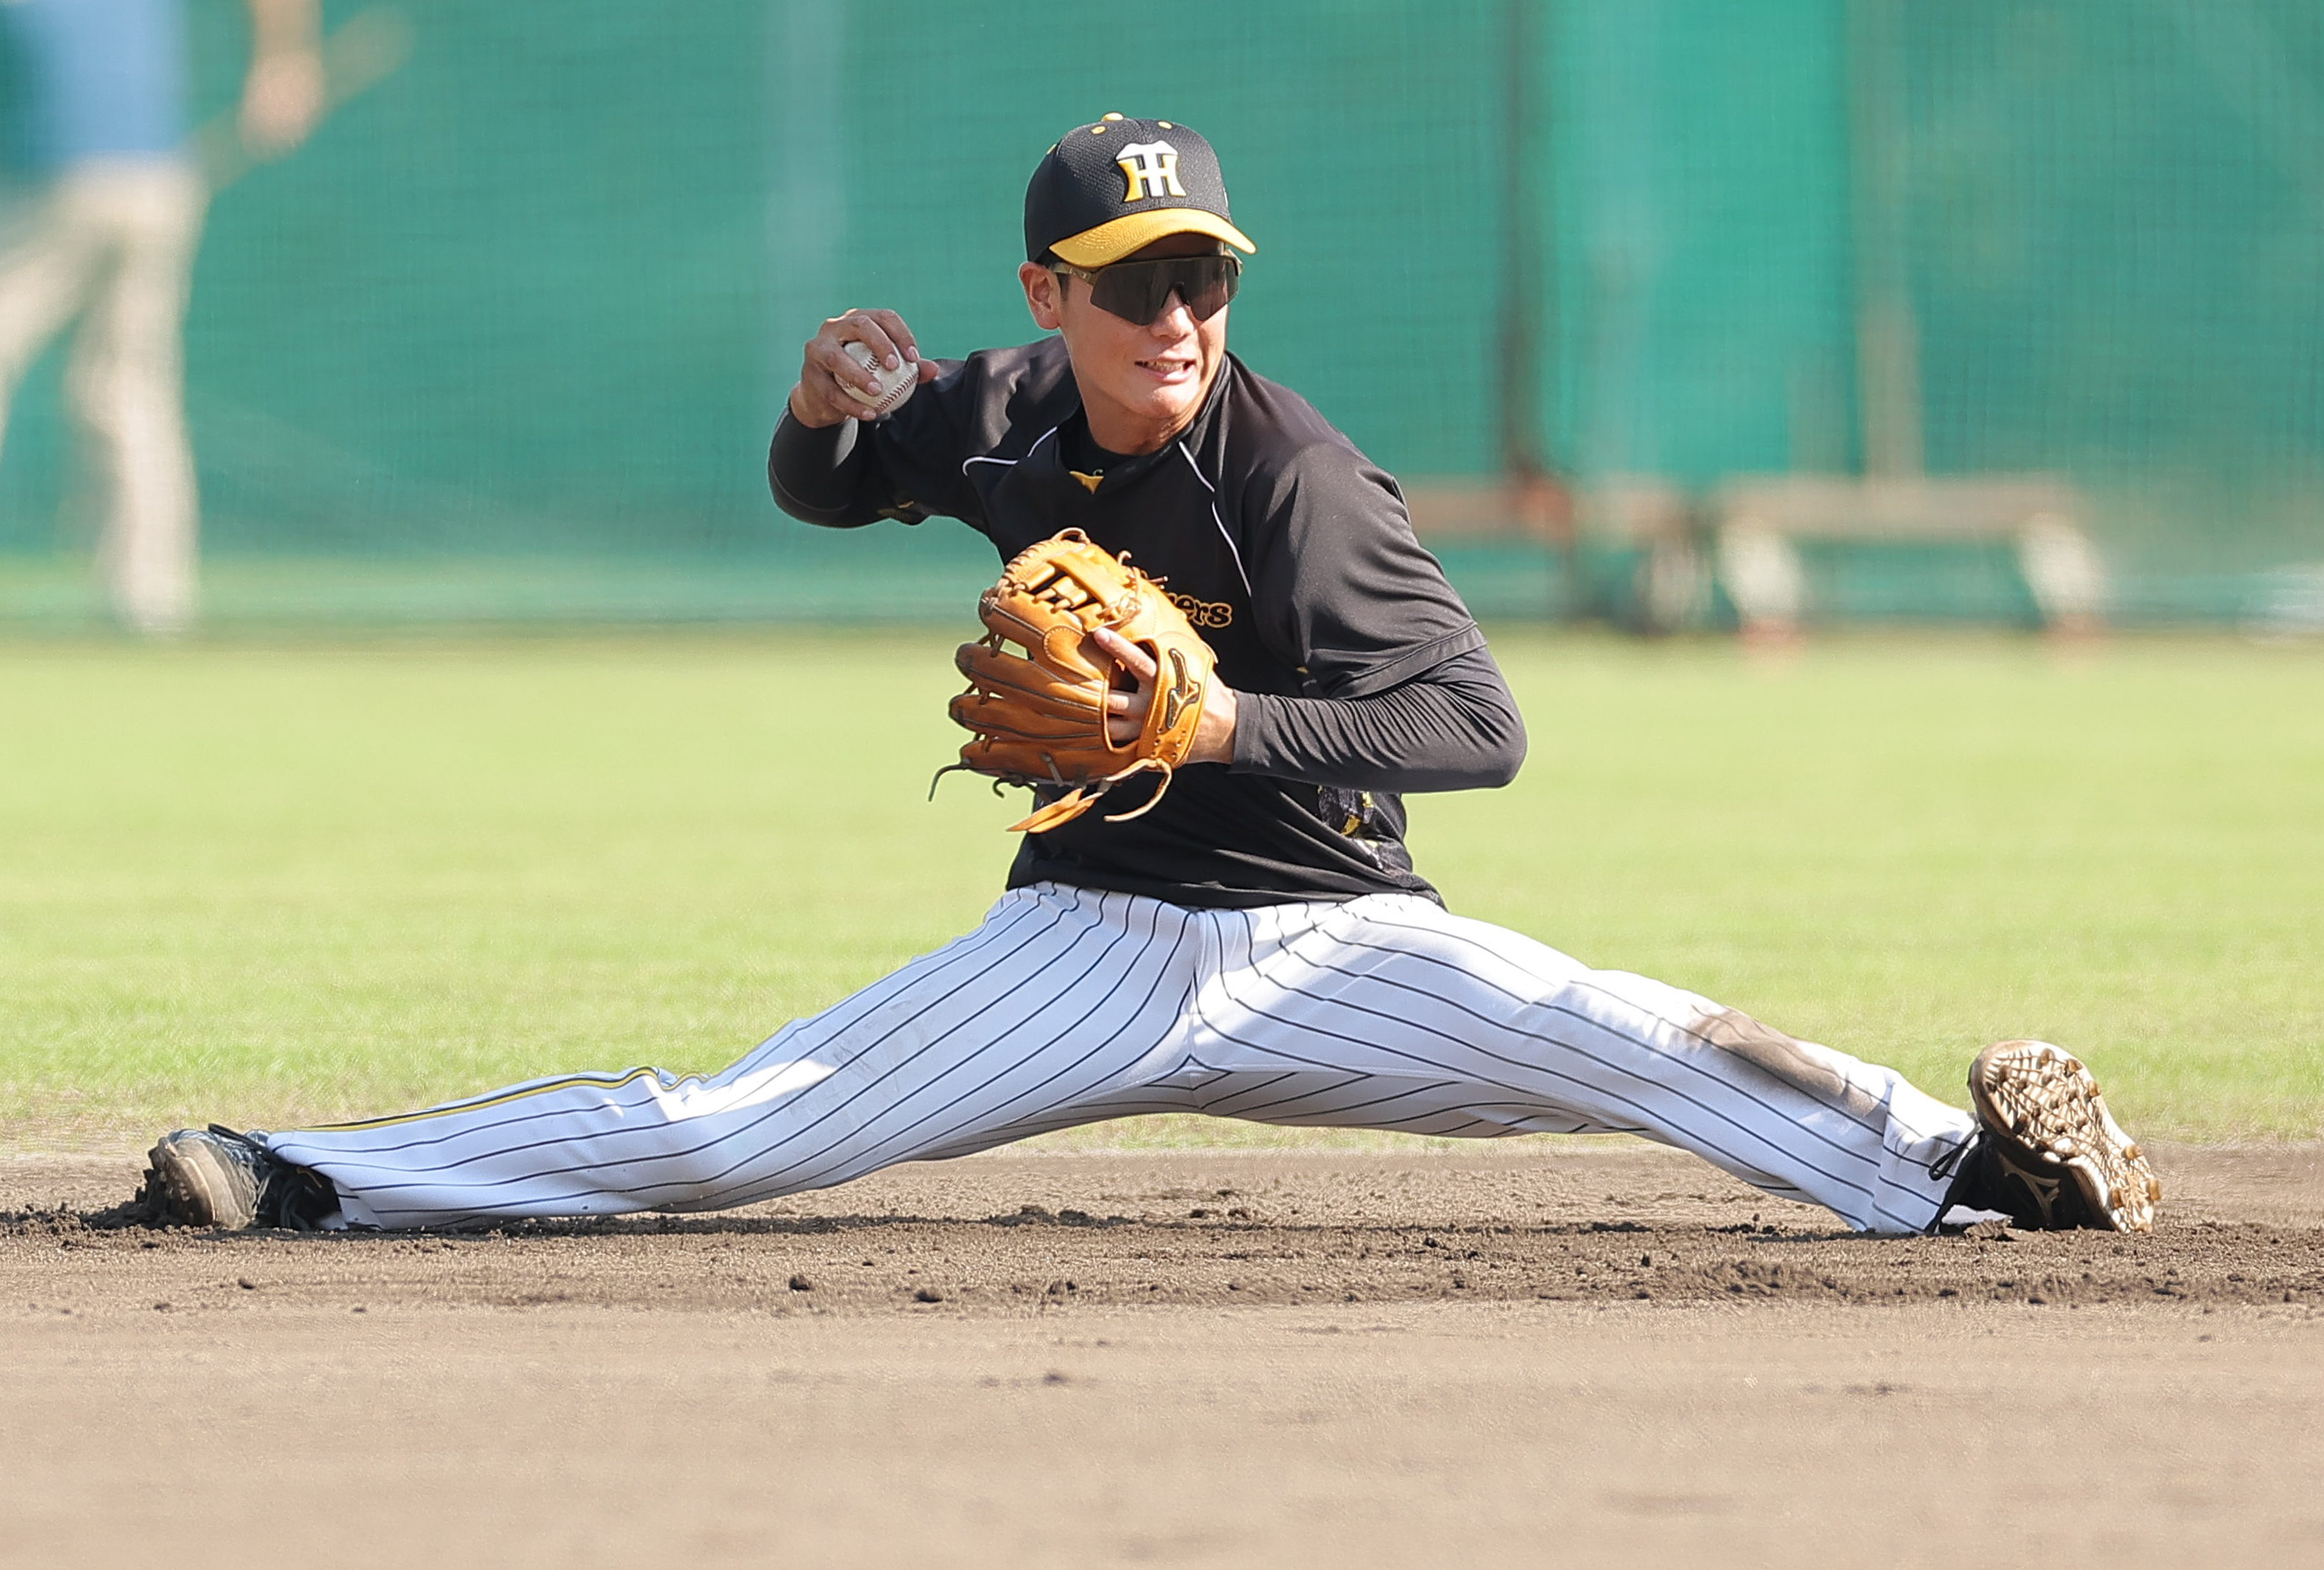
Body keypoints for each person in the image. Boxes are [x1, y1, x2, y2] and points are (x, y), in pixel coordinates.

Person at [134, 115, 2160, 1239]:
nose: (1175, 307)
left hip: (1329, 940)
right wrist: (825, 410)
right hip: (1082, 941)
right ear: (1050, 297)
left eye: (1200, 273)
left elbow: (1480, 729)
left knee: (1637, 1039)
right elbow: (828, 494)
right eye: (1133, 280)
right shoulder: (1003, 409)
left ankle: (1981, 1175)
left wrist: (1213, 723)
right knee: (726, 1131)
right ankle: (307, 1170)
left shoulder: (1296, 480)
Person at [0, 0, 322, 634]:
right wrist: (284, 63)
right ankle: (151, 603)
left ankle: (149, 599)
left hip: (53, 177)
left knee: (116, 385)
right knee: (126, 391)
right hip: (155, 182)